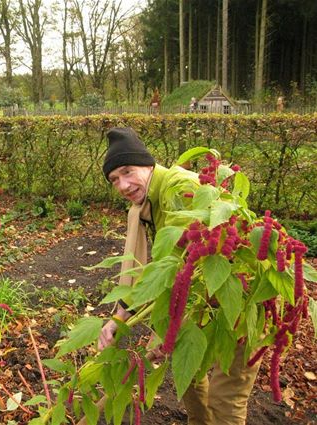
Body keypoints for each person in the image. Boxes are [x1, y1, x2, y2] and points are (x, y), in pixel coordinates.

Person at [98, 127, 260, 425]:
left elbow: (190, 264)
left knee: (226, 400)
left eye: (127, 171)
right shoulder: (147, 204)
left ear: (148, 165)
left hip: (243, 299)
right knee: (191, 379)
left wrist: (166, 331)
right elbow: (159, 271)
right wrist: (120, 317)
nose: (122, 185)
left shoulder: (178, 190)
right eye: (114, 179)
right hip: (205, 299)